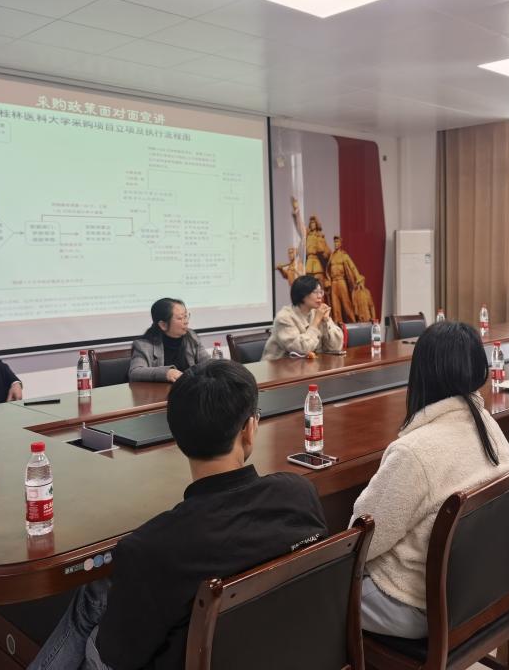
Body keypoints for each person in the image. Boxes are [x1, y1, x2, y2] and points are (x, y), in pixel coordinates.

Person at [28, 360, 327, 670]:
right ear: (250, 428)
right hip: (291, 653)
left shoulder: (150, 549)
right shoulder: (299, 493)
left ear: (175, 435)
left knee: (94, 595)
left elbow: (115, 658)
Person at [350, 322, 509, 638]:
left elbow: (361, 541)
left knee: (313, 593)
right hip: (481, 587)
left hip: (419, 605)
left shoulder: (413, 452)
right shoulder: (486, 422)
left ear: (421, 373)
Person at [262, 275, 344, 360]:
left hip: (307, 365)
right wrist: (315, 322)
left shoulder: (316, 313)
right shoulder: (284, 318)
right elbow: (301, 349)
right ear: (302, 294)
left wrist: (326, 321)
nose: (320, 296)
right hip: (279, 365)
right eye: (315, 292)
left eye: (321, 292)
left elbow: (336, 347)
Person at [128, 298, 210, 384]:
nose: (186, 322)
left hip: (189, 389)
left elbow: (207, 362)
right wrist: (166, 373)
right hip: (160, 391)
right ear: (163, 325)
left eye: (186, 316)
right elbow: (135, 372)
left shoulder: (191, 336)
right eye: (180, 318)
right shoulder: (144, 345)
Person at [326, 235, 361, 323]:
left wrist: (358, 278)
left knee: (346, 304)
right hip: (334, 283)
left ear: (341, 243)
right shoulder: (332, 256)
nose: (336, 244)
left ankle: (353, 322)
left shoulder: (344, 255)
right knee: (335, 306)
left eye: (337, 242)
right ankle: (338, 325)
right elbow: (328, 269)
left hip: (342, 281)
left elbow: (352, 267)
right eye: (335, 242)